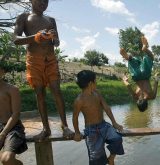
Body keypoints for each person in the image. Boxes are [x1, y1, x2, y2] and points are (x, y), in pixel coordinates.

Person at [13, 0, 73, 141]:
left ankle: (65, 126)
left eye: (46, 1)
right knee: (40, 93)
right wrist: (35, 37)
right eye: (40, 0)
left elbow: (57, 42)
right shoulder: (24, 17)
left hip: (50, 59)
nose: (43, 3)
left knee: (56, 90)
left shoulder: (50, 20)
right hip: (34, 60)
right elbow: (15, 39)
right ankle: (46, 129)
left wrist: (53, 37)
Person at [73, 70, 124, 165]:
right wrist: (77, 132)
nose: (96, 83)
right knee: (96, 158)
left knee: (117, 139)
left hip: (104, 126)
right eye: (95, 81)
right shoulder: (79, 100)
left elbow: (106, 108)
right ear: (90, 83)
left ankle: (111, 158)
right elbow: (75, 117)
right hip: (91, 131)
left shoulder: (97, 93)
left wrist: (114, 123)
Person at [120, 36, 159, 112]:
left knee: (151, 57)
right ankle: (128, 57)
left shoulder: (152, 96)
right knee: (132, 62)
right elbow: (128, 85)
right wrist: (124, 79)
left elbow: (156, 82)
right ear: (138, 103)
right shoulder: (135, 97)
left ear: (147, 106)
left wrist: (156, 76)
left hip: (145, 75)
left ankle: (145, 49)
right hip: (136, 76)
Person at [0, 64, 28, 165]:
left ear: (2, 72)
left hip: (13, 128)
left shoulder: (12, 89)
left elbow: (16, 114)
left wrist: (3, 133)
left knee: (6, 159)